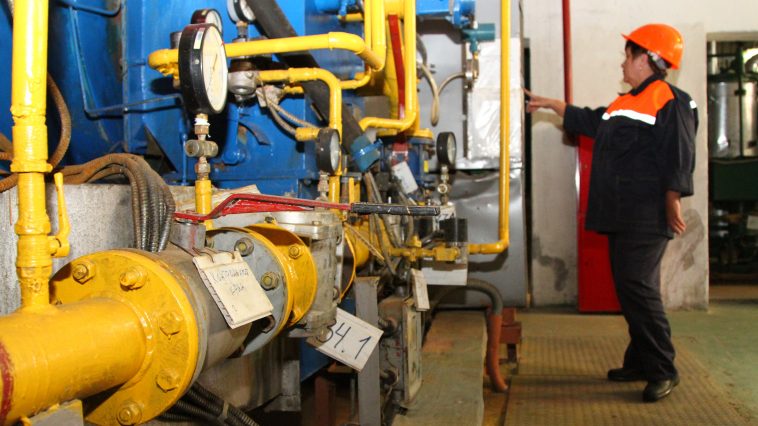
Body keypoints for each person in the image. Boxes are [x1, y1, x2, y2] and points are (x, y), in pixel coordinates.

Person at [526, 23, 697, 402]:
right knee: (630, 289)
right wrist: (554, 105)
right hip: (622, 213)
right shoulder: (626, 103)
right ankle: (640, 361)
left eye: (627, 55)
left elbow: (679, 150)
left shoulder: (669, 99)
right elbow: (593, 120)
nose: (623, 63)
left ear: (646, 59)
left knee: (638, 288)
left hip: (646, 214)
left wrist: (673, 197)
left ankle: (662, 369)